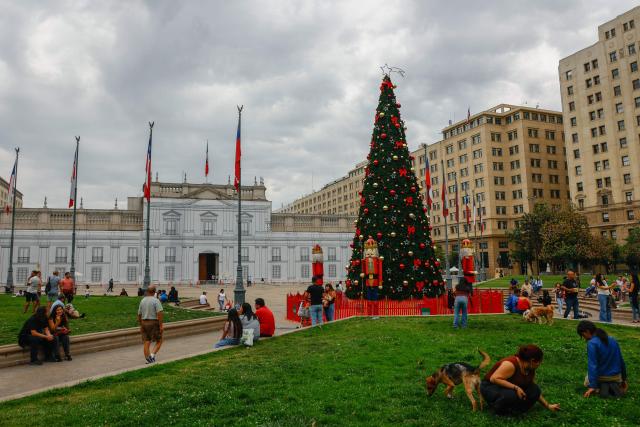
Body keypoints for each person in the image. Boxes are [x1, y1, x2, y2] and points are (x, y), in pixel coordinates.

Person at [480, 344, 560, 416]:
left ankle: (515, 411)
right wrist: (516, 388)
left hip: (507, 388)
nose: (539, 365)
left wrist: (547, 405)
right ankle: (497, 409)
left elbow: (532, 386)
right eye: (539, 362)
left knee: (534, 390)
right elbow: (494, 378)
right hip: (490, 387)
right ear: (532, 361)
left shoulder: (530, 368)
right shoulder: (510, 364)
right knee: (511, 395)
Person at [577, 321, 627, 398]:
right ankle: (612, 386)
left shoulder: (592, 343)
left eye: (583, 335)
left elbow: (593, 365)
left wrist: (592, 386)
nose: (584, 338)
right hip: (617, 377)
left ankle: (599, 388)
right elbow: (621, 361)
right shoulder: (612, 339)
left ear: (587, 331)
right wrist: (624, 379)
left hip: (603, 377)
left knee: (586, 382)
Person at [137, 285, 164, 364]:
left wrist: (141, 325)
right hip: (153, 322)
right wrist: (161, 325)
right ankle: (152, 356)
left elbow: (139, 314)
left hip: (144, 322)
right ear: (154, 292)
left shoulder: (142, 300)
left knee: (146, 341)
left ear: (147, 291)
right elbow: (159, 313)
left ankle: (148, 358)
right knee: (159, 340)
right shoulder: (156, 301)